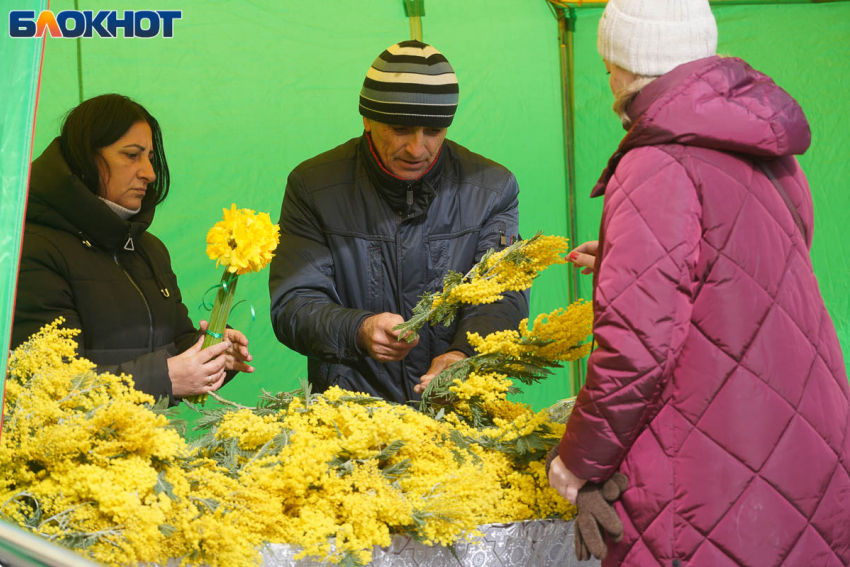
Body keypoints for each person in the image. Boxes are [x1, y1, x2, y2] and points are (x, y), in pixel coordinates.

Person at [547, 1, 850, 565]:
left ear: (627, 64)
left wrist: (578, 462)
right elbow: (751, 268)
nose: (607, 78)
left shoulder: (655, 161)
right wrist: (626, 257)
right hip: (806, 441)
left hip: (707, 470)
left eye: (608, 64)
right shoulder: (766, 144)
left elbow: (638, 346)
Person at [269, 40, 528, 403]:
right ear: (367, 118)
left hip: (458, 406)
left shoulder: (492, 188)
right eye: (401, 129)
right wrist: (358, 329)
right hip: (350, 417)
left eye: (434, 131)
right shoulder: (314, 187)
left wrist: (463, 356)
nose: (417, 148)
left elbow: (503, 295)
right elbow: (293, 303)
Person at [12, 94, 254, 405]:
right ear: (85, 158)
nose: (150, 173)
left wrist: (211, 349)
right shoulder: (34, 250)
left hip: (148, 443)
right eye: (131, 155)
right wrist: (166, 378)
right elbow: (49, 388)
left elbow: (173, 344)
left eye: (150, 157)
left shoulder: (150, 250)